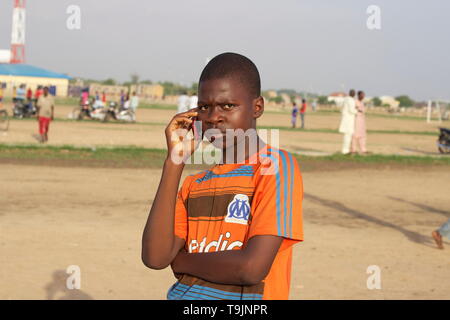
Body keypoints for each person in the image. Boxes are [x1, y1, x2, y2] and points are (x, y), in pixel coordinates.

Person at [142, 52, 304, 300]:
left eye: (228, 106)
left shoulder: (274, 167)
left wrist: (183, 261)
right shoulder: (193, 184)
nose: (214, 117)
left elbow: (250, 269)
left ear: (257, 107)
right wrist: (174, 162)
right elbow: (155, 258)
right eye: (205, 107)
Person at [338, 89, 357, 155]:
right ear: (353, 94)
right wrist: (357, 111)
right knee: (348, 136)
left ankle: (345, 149)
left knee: (347, 136)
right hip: (348, 120)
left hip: (346, 119)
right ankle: (345, 150)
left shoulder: (346, 99)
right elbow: (351, 110)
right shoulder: (351, 100)